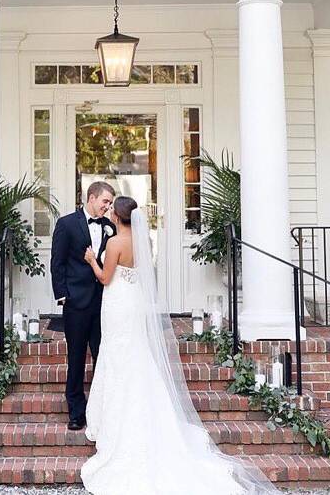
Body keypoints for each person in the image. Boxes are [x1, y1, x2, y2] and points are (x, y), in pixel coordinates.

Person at [79, 196, 278, 495]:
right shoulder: (141, 241)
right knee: (133, 354)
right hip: (132, 304)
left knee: (116, 354)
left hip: (117, 304)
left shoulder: (117, 243)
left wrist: (92, 259)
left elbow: (106, 278)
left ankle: (115, 423)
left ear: (118, 217)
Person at [50, 181, 117, 431]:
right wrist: (62, 295)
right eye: (105, 202)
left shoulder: (110, 227)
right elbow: (57, 262)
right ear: (91, 198)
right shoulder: (66, 224)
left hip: (103, 302)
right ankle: (76, 412)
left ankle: (102, 410)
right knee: (76, 358)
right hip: (76, 303)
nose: (107, 207)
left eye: (110, 203)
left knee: (103, 355)